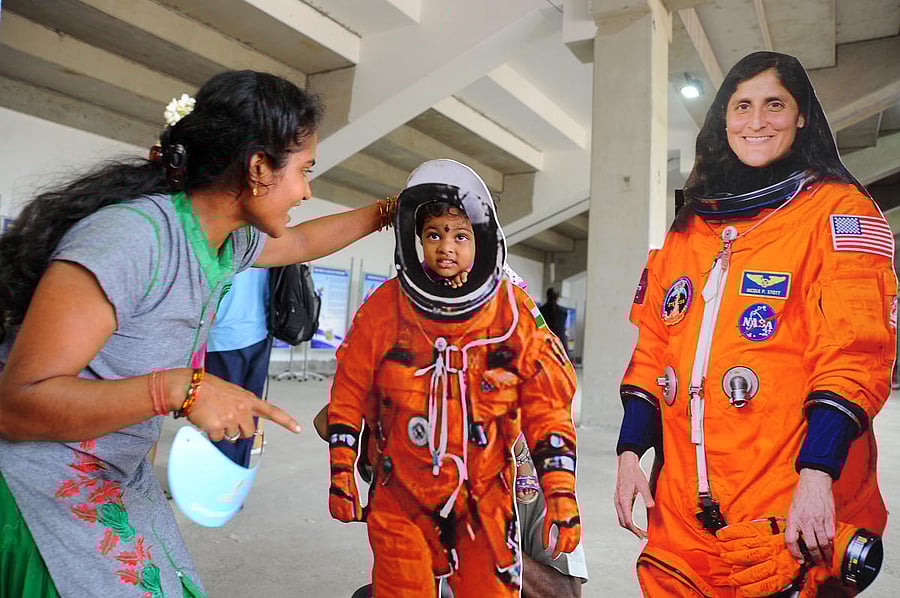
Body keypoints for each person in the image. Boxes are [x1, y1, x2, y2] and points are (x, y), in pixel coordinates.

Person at [0, 70, 397, 597]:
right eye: (303, 171)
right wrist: (179, 388)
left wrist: (390, 212)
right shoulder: (132, 239)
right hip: (37, 484)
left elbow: (300, 243)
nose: (306, 190)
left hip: (111, 473)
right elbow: (18, 405)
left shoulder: (222, 242)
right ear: (258, 168)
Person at [614, 51, 894, 596]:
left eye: (775, 105)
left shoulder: (839, 214)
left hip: (780, 508)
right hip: (681, 519)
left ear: (803, 116)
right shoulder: (690, 227)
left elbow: (854, 354)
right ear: (724, 119)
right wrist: (629, 452)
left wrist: (818, 477)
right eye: (742, 106)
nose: (757, 121)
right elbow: (655, 345)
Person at [326, 159, 581, 597]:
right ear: (417, 239)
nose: (446, 247)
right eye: (434, 235)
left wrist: (557, 490)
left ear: (482, 240)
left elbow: (552, 393)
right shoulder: (389, 307)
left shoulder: (511, 307)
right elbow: (347, 392)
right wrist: (344, 467)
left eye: (461, 235)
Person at [206, 267, 272, 467]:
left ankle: (221, 487)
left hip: (224, 335)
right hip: (261, 330)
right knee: (246, 415)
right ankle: (234, 487)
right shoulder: (266, 238)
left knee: (224, 418)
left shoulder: (229, 238)